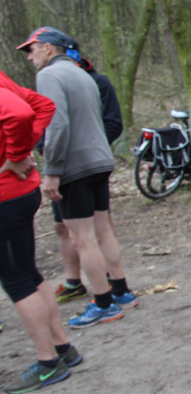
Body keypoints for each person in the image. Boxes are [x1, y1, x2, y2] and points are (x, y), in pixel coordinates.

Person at [18, 27, 136, 328]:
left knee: (82, 238)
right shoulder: (84, 75)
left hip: (75, 166)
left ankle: (103, 303)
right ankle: (121, 290)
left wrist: (52, 171)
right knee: (103, 230)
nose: (30, 57)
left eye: (32, 49)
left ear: (48, 48)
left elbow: (57, 125)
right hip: (100, 162)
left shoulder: (49, 76)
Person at [0, 67, 83, 394]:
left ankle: (48, 363)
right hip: (18, 193)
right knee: (29, 274)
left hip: (6, 196)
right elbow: (43, 107)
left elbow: (21, 113)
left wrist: (16, 154)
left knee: (17, 280)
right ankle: (63, 349)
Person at [50, 48, 124, 305]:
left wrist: (87, 148)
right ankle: (79, 283)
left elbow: (112, 124)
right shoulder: (60, 80)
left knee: (89, 233)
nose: (29, 56)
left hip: (79, 166)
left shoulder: (95, 82)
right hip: (71, 165)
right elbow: (48, 125)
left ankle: (107, 298)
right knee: (67, 229)